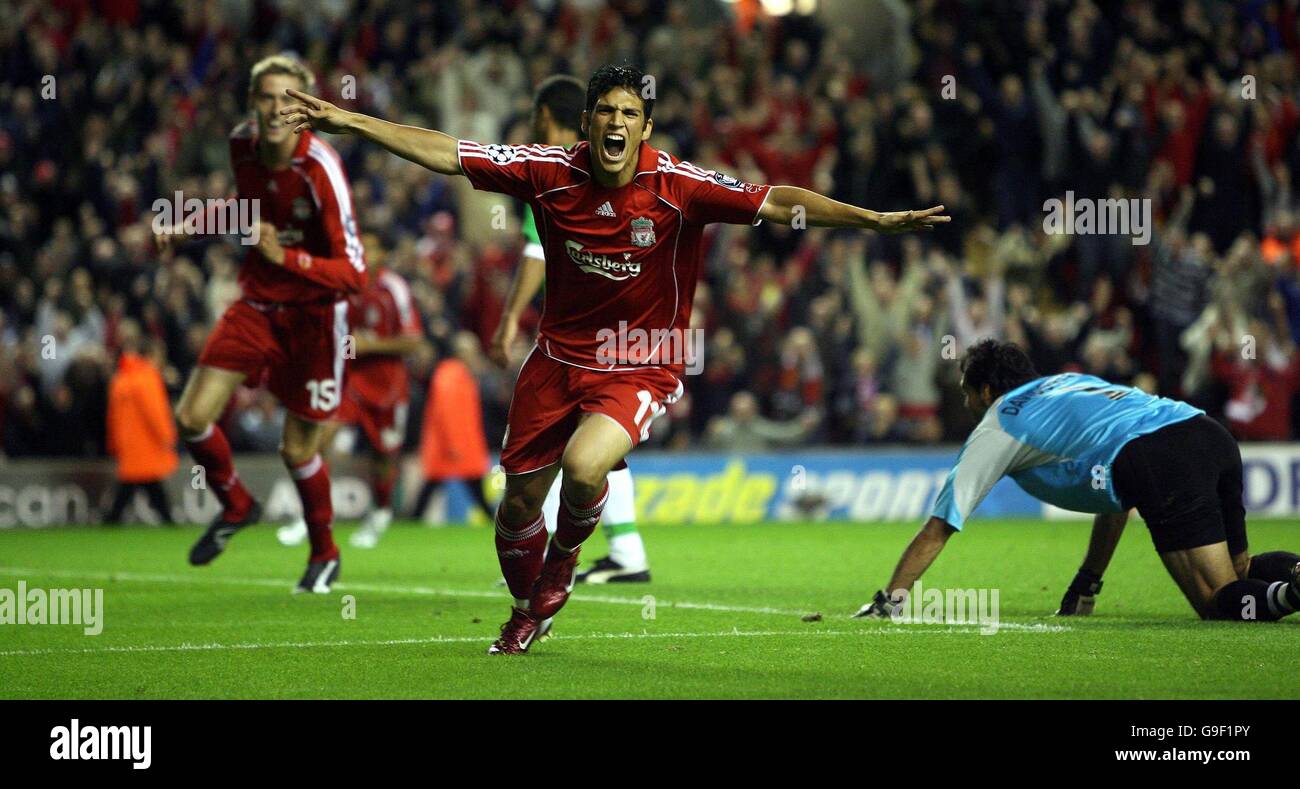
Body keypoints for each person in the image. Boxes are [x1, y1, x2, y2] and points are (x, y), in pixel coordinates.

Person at [281, 63, 947, 654]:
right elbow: (447, 153)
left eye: (630, 112)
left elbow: (779, 202)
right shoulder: (549, 171)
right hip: (555, 360)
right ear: (587, 124)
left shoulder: (677, 184)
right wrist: (347, 119)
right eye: (606, 111)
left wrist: (873, 220)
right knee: (515, 510)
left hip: (640, 359)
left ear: (645, 126)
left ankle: (563, 564)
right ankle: (526, 607)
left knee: (585, 462)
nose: (617, 121)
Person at [856, 339, 1300, 623]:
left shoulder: (999, 424)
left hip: (1160, 457)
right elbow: (1113, 492)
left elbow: (939, 527)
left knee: (1217, 600)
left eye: (967, 393)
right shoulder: (1067, 383)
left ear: (987, 392)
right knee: (1241, 571)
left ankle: (1292, 592)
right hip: (1207, 432)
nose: (968, 402)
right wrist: (1088, 580)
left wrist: (890, 600)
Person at [156, 54, 367, 593]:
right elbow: (244, 207)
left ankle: (325, 553)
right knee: (191, 416)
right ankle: (238, 505)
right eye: (266, 98)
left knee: (297, 449)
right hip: (258, 306)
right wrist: (188, 227)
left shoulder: (320, 167)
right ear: (252, 103)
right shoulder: (241, 146)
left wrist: (288, 260)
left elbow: (355, 274)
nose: (276, 110)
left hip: (316, 318)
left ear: (306, 109)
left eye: (288, 100)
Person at [489, 75, 650, 584]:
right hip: (591, 337)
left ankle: (570, 561)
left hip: (594, 342)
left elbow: (536, 249)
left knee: (578, 453)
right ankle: (621, 551)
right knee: (588, 453)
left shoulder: (554, 171)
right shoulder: (578, 164)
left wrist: (511, 314)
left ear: (543, 115)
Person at [277, 233, 425, 549]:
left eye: (371, 247)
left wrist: (369, 345)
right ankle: (312, 517)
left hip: (388, 387)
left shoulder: (394, 289)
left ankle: (380, 513)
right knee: (319, 440)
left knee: (383, 456)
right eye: (360, 246)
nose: (363, 253)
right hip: (349, 381)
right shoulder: (343, 285)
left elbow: (413, 341)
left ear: (383, 254)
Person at [410, 331, 495, 524]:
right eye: (473, 351)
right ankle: (412, 520)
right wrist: (453, 445)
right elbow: (446, 414)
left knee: (439, 485)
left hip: (461, 444)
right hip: (453, 446)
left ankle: (412, 520)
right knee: (443, 485)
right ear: (462, 353)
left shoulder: (458, 374)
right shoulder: (450, 376)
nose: (476, 355)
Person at [104, 322, 177, 525]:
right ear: (151, 355)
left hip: (129, 445)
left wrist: (113, 443)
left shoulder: (121, 378)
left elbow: (113, 417)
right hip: (146, 443)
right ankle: (166, 520)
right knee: (143, 483)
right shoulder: (147, 378)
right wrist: (167, 436)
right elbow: (155, 413)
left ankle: (114, 519)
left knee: (140, 483)